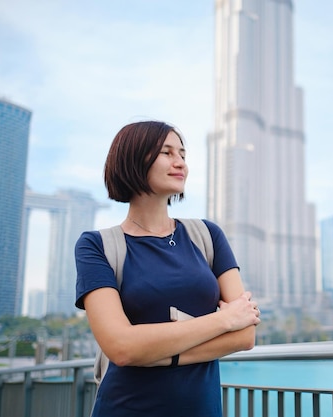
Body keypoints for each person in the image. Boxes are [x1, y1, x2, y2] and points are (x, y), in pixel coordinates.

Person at [75, 120, 261, 416]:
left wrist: (151, 352)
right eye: (167, 152)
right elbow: (121, 347)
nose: (180, 163)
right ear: (134, 159)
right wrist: (223, 321)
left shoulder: (208, 236)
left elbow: (245, 336)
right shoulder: (96, 246)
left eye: (183, 155)